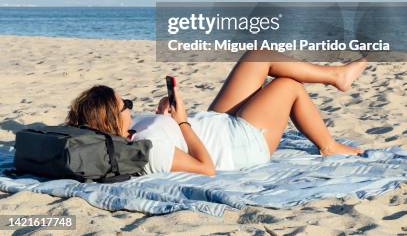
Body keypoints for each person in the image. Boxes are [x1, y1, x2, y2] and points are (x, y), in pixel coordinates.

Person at [66, 51, 368, 176]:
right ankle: (328, 146)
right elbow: (205, 167)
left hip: (216, 124)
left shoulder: (126, 131)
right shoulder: (147, 152)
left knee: (256, 57)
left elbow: (172, 133)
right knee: (288, 86)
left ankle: (335, 75)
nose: (131, 107)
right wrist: (182, 122)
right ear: (109, 120)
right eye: (126, 105)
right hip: (239, 145)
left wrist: (165, 114)